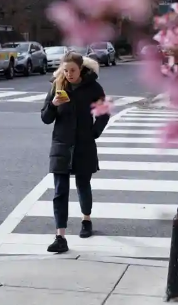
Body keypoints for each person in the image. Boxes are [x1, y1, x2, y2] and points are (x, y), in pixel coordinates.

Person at [40, 52, 110, 253]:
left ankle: (86, 219)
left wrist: (94, 133)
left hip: (83, 144)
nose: (69, 74)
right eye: (66, 70)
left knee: (83, 184)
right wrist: (54, 105)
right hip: (61, 144)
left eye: (73, 70)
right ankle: (60, 237)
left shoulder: (93, 88)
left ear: (80, 70)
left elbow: (104, 113)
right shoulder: (57, 86)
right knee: (60, 191)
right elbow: (45, 118)